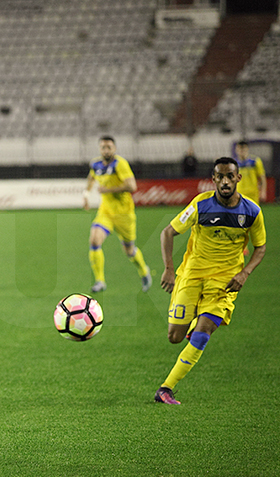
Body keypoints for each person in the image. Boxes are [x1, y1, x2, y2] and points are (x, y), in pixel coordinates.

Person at [154, 157, 265, 405]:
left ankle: (165, 389)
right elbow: (168, 232)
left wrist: (244, 273)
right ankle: (192, 324)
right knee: (174, 336)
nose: (225, 181)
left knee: (203, 333)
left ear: (238, 178)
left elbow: (260, 247)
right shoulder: (201, 205)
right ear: (213, 179)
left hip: (224, 282)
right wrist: (169, 269)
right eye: (220, 176)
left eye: (230, 176)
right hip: (191, 275)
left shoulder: (252, 212)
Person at [83, 136, 152, 293]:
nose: (106, 150)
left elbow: (132, 186)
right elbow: (91, 177)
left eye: (109, 147)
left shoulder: (120, 164)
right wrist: (86, 195)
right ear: (99, 149)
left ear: (114, 148)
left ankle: (143, 271)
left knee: (129, 250)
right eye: (103, 147)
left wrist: (108, 190)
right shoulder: (96, 164)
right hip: (105, 212)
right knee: (94, 240)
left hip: (124, 215)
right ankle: (100, 281)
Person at [234, 140, 267, 205]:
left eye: (243, 149)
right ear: (236, 150)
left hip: (253, 194)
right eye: (240, 149)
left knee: (253, 213)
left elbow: (262, 177)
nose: (242, 151)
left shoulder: (255, 161)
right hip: (239, 193)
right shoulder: (234, 163)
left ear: (247, 149)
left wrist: (263, 192)